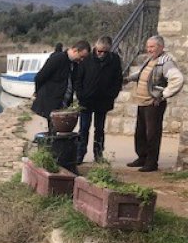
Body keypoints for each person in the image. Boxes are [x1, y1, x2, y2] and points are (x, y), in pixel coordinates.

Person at [126, 35, 184, 172]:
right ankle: (142, 157)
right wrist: (128, 79)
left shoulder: (166, 62)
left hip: (153, 104)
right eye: (148, 46)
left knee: (152, 134)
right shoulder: (150, 59)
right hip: (142, 102)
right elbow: (142, 74)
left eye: (152, 46)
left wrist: (163, 95)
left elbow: (177, 79)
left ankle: (151, 163)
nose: (149, 49)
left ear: (161, 47)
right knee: (140, 133)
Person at [73, 36, 123, 163]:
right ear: (95, 48)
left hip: (104, 100)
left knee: (99, 129)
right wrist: (80, 94)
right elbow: (78, 78)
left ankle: (98, 154)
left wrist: (112, 94)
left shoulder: (114, 60)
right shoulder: (87, 59)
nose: (101, 54)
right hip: (86, 100)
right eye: (99, 51)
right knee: (84, 128)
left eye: (105, 52)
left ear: (109, 50)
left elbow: (118, 79)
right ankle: (79, 154)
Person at [32, 40, 91, 131]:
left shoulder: (75, 64)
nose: (82, 60)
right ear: (75, 50)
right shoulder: (57, 59)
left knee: (63, 132)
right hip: (52, 102)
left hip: (64, 103)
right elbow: (40, 77)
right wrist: (37, 92)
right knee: (54, 130)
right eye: (81, 56)